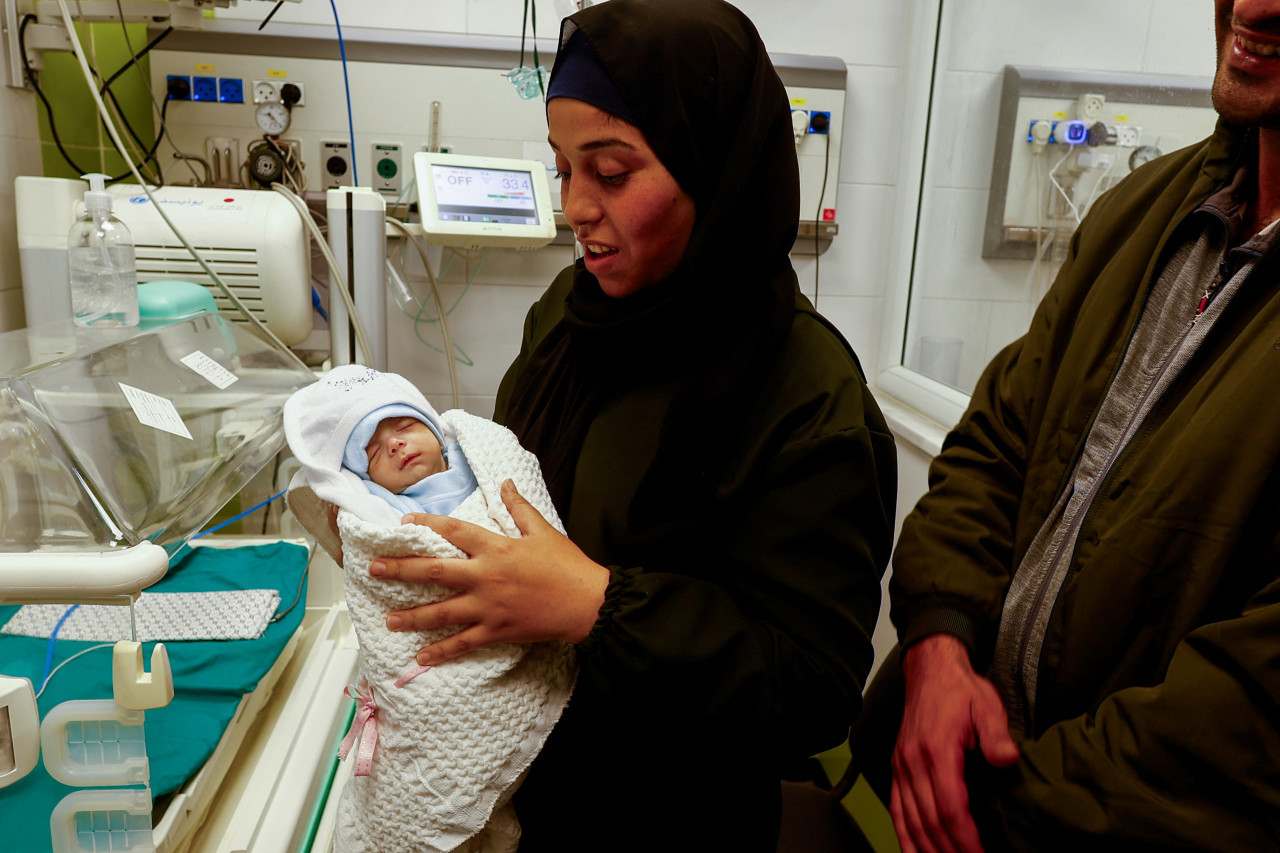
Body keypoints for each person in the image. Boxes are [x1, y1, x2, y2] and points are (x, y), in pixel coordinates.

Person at [361, 1, 898, 850]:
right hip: (522, 795)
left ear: (712, 170)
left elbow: (810, 688)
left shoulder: (802, 390)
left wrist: (597, 606)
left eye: (611, 173)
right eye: (562, 167)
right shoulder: (567, 323)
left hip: (676, 822)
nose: (575, 206)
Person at [874, 1, 1280, 850]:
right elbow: (994, 445)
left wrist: (993, 796)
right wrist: (939, 641)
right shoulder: (1149, 210)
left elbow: (1248, 720)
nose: (1253, 5)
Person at [283, 365, 575, 853]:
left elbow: (519, 509)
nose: (395, 445)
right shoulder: (377, 508)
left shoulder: (479, 457)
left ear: (437, 432)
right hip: (434, 654)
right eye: (373, 451)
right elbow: (367, 547)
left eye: (403, 427)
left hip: (517, 609)